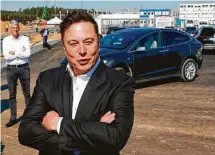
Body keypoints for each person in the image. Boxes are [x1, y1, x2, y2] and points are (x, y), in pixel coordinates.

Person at [19, 10, 135, 155]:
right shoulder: (47, 80)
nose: (82, 51)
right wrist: (94, 128)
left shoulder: (120, 82)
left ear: (99, 41)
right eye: (73, 43)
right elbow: (26, 131)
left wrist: (58, 124)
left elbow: (115, 137)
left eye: (88, 42)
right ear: (64, 46)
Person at [2, 20, 31, 127]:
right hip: (11, 69)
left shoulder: (25, 39)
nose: (15, 29)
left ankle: (29, 117)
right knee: (12, 94)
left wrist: (14, 52)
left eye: (17, 27)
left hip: (24, 68)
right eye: (13, 28)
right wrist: (20, 53)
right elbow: (7, 56)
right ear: (10, 29)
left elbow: (27, 53)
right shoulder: (6, 40)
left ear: (19, 28)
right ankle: (13, 118)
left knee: (27, 93)